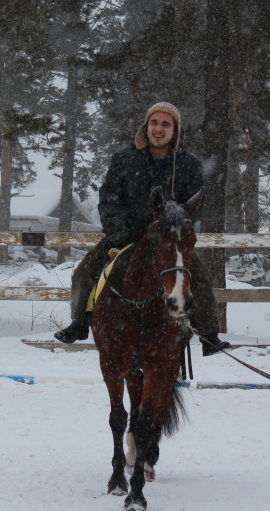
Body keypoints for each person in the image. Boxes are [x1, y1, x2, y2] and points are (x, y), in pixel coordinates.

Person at [54, 101, 231, 356]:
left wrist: (176, 216)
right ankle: (80, 323)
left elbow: (194, 204)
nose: (158, 129)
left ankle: (208, 335)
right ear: (146, 126)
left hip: (168, 240)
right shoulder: (124, 159)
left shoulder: (188, 164)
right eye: (154, 123)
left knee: (200, 276)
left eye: (165, 124)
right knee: (84, 271)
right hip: (126, 236)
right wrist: (118, 229)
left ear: (175, 130)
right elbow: (109, 199)